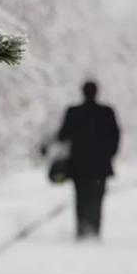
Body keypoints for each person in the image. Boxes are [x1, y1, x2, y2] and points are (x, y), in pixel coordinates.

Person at [42, 81, 121, 240]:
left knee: (81, 197)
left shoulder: (74, 112)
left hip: (79, 165)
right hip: (100, 165)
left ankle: (82, 229)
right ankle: (94, 230)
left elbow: (63, 134)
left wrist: (46, 146)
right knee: (97, 198)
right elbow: (116, 136)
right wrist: (110, 154)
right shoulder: (106, 112)